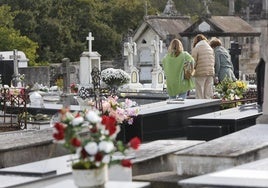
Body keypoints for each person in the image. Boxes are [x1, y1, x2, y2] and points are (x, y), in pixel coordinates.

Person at [191, 34, 215, 99]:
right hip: (210, 72)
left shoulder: (196, 48)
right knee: (208, 93)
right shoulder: (210, 48)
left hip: (200, 72)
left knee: (200, 93)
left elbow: (193, 61)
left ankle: (200, 107)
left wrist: (191, 71)